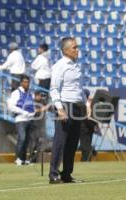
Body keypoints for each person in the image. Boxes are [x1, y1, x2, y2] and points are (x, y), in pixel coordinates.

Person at [49, 37, 87, 184]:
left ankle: (67, 174)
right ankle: (53, 175)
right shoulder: (60, 66)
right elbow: (54, 89)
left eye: (77, 47)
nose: (77, 50)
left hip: (77, 107)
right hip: (65, 105)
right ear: (65, 50)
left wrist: (87, 104)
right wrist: (60, 109)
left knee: (72, 142)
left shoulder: (77, 66)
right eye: (74, 47)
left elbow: (79, 88)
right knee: (60, 141)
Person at [7, 75, 48, 165]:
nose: (27, 84)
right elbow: (10, 106)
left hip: (30, 120)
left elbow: (32, 106)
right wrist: (23, 112)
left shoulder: (30, 93)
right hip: (20, 119)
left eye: (28, 82)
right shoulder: (16, 93)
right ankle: (18, 158)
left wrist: (34, 111)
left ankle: (23, 159)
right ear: (21, 83)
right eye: (25, 82)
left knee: (27, 141)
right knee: (22, 138)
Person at [79, 89, 98, 162]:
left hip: (86, 128)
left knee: (85, 146)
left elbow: (90, 118)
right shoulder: (85, 105)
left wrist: (94, 126)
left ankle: (86, 159)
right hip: (85, 128)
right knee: (85, 146)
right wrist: (94, 126)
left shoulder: (86, 105)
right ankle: (88, 155)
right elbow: (87, 118)